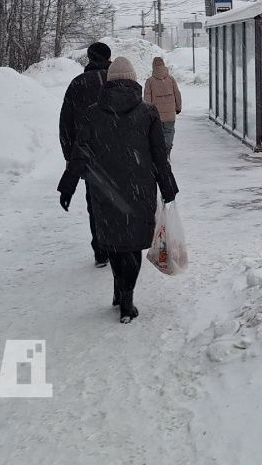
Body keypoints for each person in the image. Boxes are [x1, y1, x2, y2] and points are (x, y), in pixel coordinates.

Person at [58, 57, 179, 323]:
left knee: (114, 243)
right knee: (133, 245)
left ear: (109, 82)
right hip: (139, 189)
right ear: (134, 80)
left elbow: (80, 153)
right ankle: (127, 298)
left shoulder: (92, 112)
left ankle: (119, 288)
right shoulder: (148, 112)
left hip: (104, 189)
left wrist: (68, 187)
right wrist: (167, 187)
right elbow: (159, 156)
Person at [59, 42, 112, 268]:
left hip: (89, 155)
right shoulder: (119, 82)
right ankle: (120, 245)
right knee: (121, 200)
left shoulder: (77, 84)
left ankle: (101, 250)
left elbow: (66, 124)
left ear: (89, 58)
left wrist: (72, 157)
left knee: (96, 203)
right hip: (122, 153)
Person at [143, 57, 182, 155]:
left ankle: (160, 152)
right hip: (170, 113)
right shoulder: (170, 79)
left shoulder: (150, 81)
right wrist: (178, 107)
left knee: (157, 134)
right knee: (169, 131)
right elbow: (177, 94)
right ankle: (167, 149)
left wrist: (147, 111)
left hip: (156, 114)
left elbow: (147, 98)